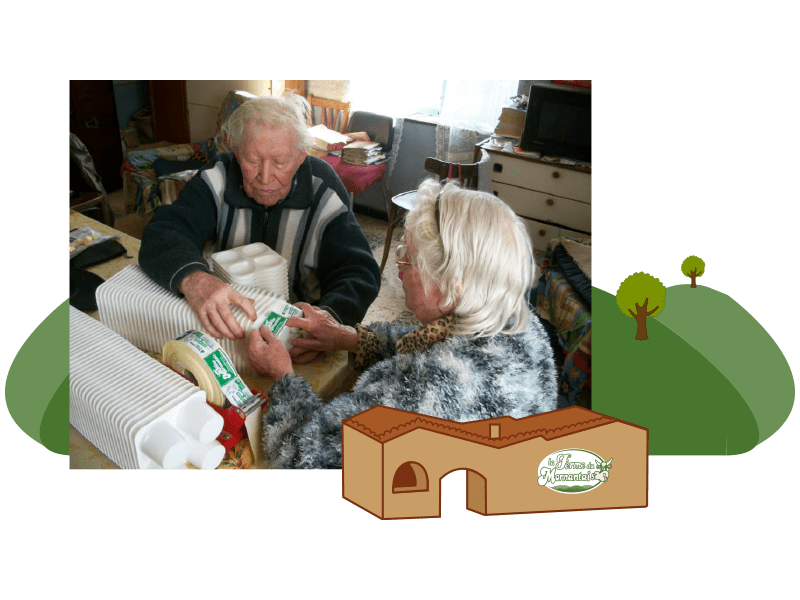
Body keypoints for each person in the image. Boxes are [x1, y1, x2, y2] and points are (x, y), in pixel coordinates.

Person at [248, 179, 559, 469]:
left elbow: (299, 458)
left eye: (408, 259)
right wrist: (352, 338)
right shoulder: (522, 324)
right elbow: (435, 341)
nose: (398, 268)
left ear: (451, 287)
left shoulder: (430, 389)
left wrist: (282, 377)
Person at [139, 94, 381, 363]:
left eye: (279, 162)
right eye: (252, 160)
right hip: (231, 322)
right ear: (236, 150)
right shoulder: (217, 176)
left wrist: (328, 320)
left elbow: (358, 271)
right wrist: (194, 279)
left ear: (301, 156)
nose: (265, 178)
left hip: (299, 330)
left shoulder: (323, 187)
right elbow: (164, 231)